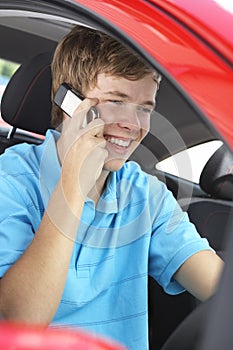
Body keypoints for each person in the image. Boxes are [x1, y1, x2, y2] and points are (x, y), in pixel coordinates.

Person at [0, 25, 223, 349]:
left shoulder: (147, 195)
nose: (133, 125)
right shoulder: (11, 181)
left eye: (145, 108)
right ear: (71, 104)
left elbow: (216, 283)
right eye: (116, 101)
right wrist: (73, 186)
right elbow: (18, 320)